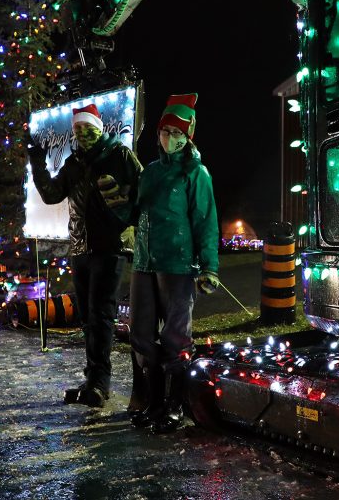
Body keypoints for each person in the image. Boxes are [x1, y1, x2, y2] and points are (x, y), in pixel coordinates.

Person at [28, 103, 143, 408]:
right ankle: (92, 377)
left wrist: (124, 218)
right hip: (80, 247)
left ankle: (101, 383)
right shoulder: (74, 161)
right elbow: (53, 194)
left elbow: (141, 193)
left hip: (110, 247)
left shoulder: (119, 155)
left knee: (101, 314)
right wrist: (38, 164)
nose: (82, 133)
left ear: (99, 127)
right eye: (77, 129)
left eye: (87, 128)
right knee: (87, 317)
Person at [129, 93, 219, 433]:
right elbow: (135, 212)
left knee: (175, 338)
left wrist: (209, 266)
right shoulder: (150, 172)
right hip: (144, 263)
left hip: (178, 265)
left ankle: (174, 406)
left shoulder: (197, 174)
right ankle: (152, 403)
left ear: (189, 135)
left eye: (178, 133)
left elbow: (206, 221)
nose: (171, 139)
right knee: (140, 333)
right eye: (166, 132)